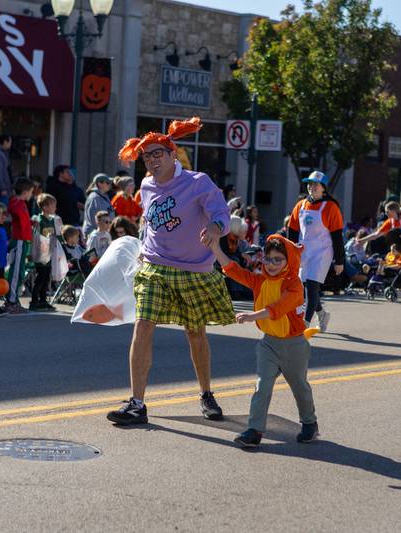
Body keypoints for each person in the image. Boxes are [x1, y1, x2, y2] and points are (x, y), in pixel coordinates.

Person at [106, 117, 235, 426]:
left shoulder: (198, 182)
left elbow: (221, 213)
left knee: (195, 333)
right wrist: (140, 249)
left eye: (156, 153)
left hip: (194, 269)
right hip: (155, 266)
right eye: (146, 156)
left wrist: (216, 229)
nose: (151, 160)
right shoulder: (147, 186)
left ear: (171, 154)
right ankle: (137, 403)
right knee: (143, 325)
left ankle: (206, 394)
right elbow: (148, 222)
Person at [211, 234, 319, 448]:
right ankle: (254, 430)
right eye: (268, 259)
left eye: (278, 259)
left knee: (300, 387)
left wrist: (251, 316)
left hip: (294, 345)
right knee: (262, 386)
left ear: (290, 262)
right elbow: (234, 270)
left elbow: (277, 309)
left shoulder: (295, 286)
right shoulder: (260, 280)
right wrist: (215, 247)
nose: (271, 264)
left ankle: (310, 422)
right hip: (268, 344)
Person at [286, 170, 345, 333]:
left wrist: (340, 261)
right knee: (305, 288)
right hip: (304, 251)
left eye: (315, 184)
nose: (311, 187)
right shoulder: (301, 205)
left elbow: (337, 237)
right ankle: (322, 314)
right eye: (309, 184)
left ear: (323, 188)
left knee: (312, 288)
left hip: (322, 252)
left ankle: (304, 324)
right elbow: (292, 230)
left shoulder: (331, 207)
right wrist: (290, 251)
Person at [5, 178, 34, 314]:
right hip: (19, 240)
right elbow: (16, 214)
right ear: (25, 191)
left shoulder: (19, 203)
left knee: (19, 271)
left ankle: (14, 299)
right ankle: (11, 301)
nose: (31, 195)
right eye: (31, 192)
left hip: (21, 240)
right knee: (16, 272)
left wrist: (30, 223)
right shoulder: (18, 203)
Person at [30, 193, 63, 311]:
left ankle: (43, 301)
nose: (55, 208)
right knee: (40, 277)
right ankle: (34, 301)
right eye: (53, 206)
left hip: (49, 253)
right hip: (41, 254)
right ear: (45, 207)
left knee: (46, 278)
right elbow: (36, 237)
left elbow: (56, 235)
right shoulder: (39, 220)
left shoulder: (52, 220)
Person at [83, 173, 115, 238]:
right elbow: (93, 218)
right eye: (107, 183)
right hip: (95, 234)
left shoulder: (103, 196)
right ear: (99, 184)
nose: (110, 185)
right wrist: (100, 231)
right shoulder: (95, 197)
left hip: (102, 233)